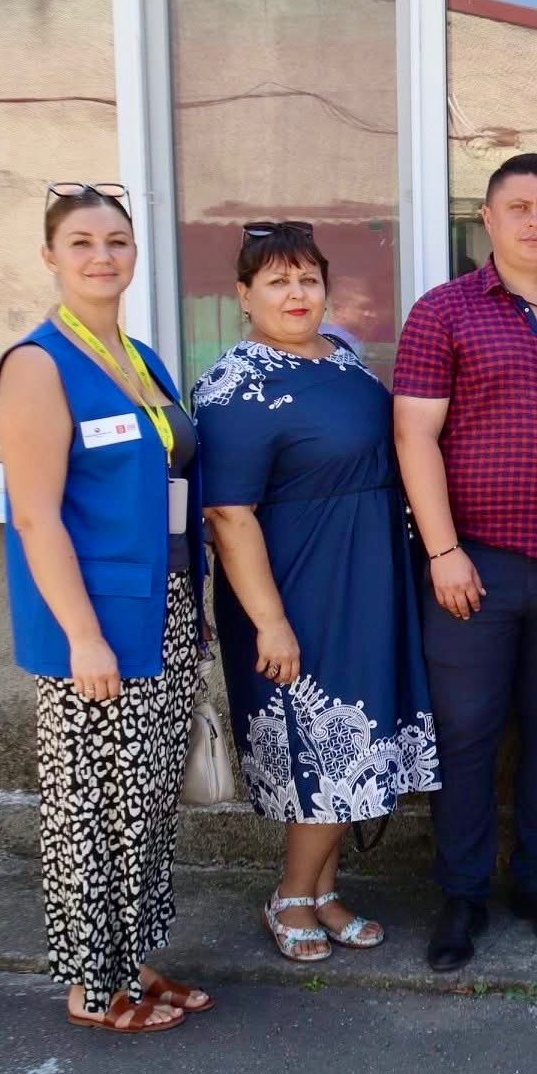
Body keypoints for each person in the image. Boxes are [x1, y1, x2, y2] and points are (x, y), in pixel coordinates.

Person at [394, 152, 537, 972]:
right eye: (519, 207)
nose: (535, 222)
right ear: (488, 220)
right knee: (467, 732)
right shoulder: (443, 312)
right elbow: (414, 435)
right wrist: (443, 550)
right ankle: (462, 894)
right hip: (474, 565)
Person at [0, 182, 212, 1032]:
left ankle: (130, 959)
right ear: (50, 256)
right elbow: (35, 515)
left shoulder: (141, 358)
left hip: (162, 607)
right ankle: (92, 985)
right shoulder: (39, 363)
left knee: (145, 801)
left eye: (116, 241)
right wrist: (83, 636)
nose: (101, 256)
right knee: (90, 807)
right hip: (92, 622)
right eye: (81, 242)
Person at [196, 222, 440, 962]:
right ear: (244, 295)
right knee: (324, 747)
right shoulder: (234, 385)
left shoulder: (341, 357)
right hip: (299, 588)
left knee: (357, 747)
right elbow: (228, 514)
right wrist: (270, 622)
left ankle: (326, 893)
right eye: (277, 281)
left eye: (307, 278)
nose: (296, 293)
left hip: (366, 578)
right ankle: (292, 895)